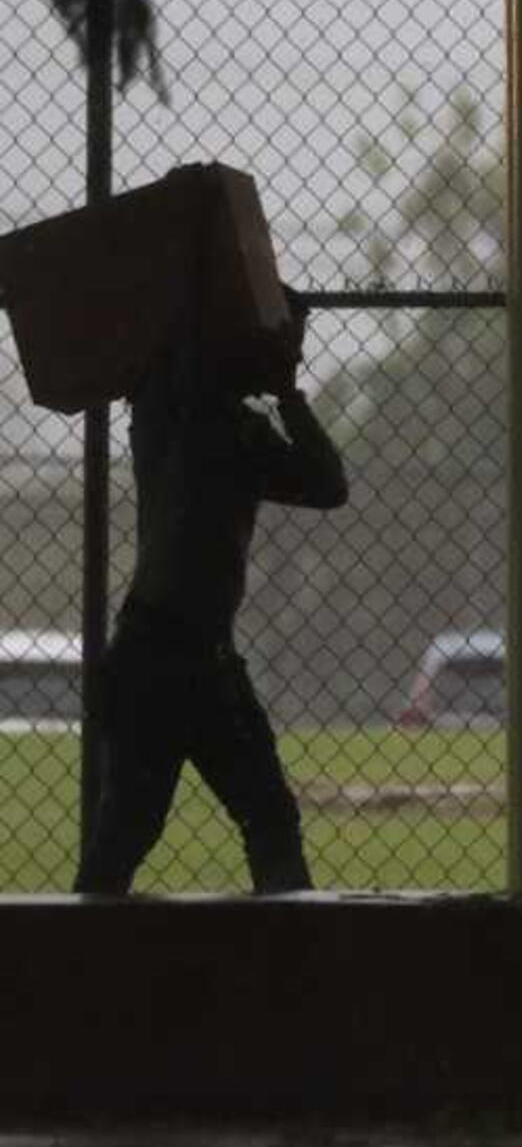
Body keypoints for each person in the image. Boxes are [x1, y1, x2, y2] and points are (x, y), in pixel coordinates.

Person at [74, 285, 347, 895]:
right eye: (282, 343)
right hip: (165, 654)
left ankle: (76, 964)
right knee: (134, 828)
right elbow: (182, 336)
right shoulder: (177, 409)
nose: (292, 357)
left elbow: (328, 486)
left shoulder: (238, 430)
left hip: (190, 655)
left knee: (241, 818)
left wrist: (285, 393)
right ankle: (76, 964)